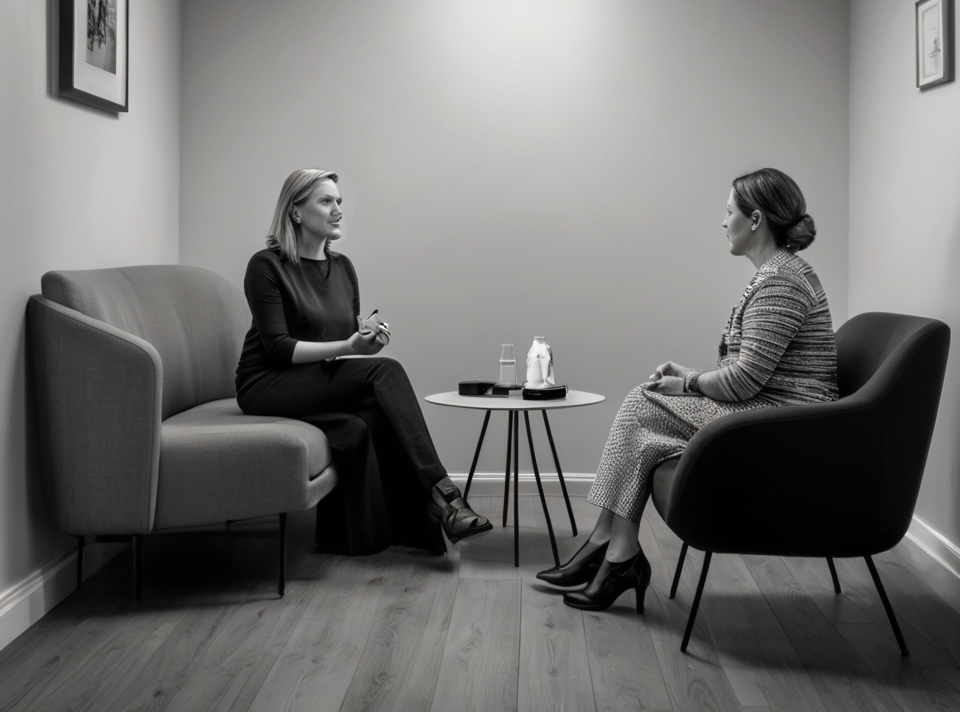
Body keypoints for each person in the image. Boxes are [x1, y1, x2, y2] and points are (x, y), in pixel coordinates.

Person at [537, 168, 838, 612]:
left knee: (643, 403)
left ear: (755, 219)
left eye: (729, 212)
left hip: (786, 426)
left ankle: (613, 550)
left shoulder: (782, 282)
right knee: (646, 409)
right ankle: (611, 547)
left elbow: (743, 382)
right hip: (772, 411)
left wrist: (687, 383)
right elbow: (750, 372)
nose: (723, 221)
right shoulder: (780, 273)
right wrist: (688, 376)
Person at [236, 168, 492, 555]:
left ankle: (401, 527)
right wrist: (350, 347)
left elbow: (340, 340)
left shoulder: (343, 268)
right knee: (386, 370)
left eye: (338, 201)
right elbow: (279, 349)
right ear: (296, 212)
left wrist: (365, 340)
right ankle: (446, 498)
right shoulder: (266, 266)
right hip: (267, 383)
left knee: (371, 415)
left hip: (314, 379)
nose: (338, 209)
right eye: (326, 201)